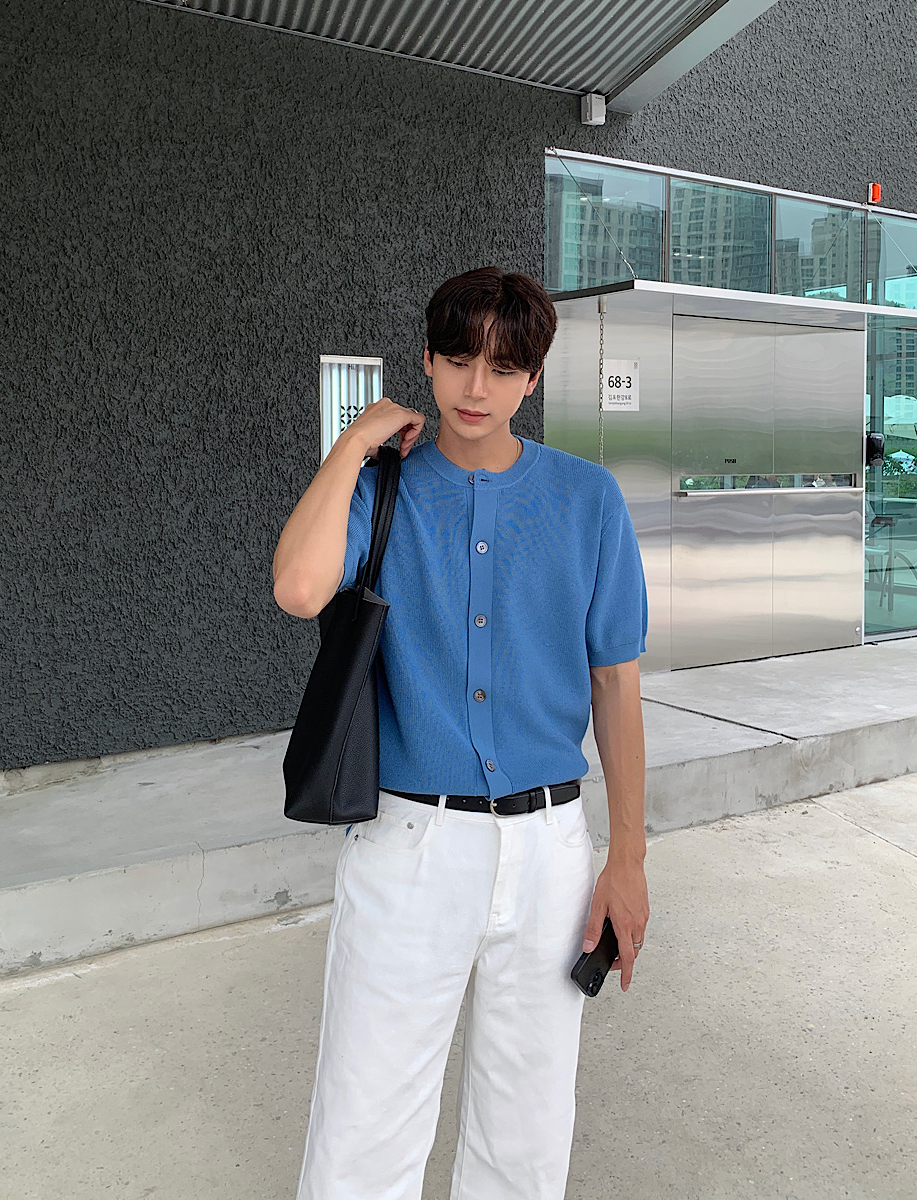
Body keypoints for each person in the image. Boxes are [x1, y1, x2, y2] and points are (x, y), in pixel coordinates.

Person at [272, 265, 650, 1200]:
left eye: (504, 367)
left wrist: (628, 859)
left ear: (533, 377)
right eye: (457, 361)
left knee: (527, 1128)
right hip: (411, 842)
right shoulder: (383, 490)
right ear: (428, 362)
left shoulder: (588, 500)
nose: (477, 387)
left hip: (551, 848)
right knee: (365, 1121)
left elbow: (615, 684)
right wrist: (354, 443)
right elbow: (300, 588)